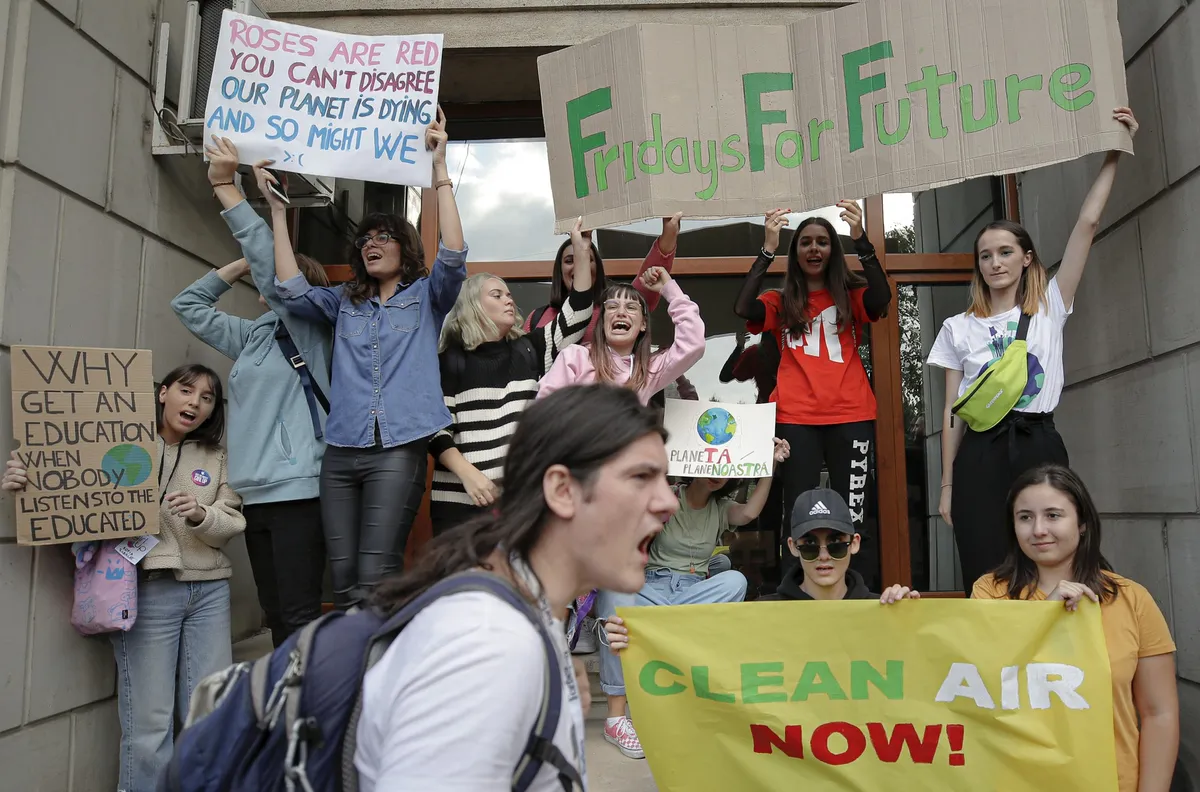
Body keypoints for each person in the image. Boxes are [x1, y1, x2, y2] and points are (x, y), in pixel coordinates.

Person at [353, 384, 677, 791]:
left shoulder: (530, 616)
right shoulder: (488, 644)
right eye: (641, 477)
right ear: (562, 490)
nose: (669, 502)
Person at [4, 364, 245, 791]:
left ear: (212, 411)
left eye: (207, 398)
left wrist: (201, 514)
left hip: (209, 591)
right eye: (186, 391)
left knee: (211, 713)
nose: (195, 402)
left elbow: (231, 522)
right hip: (149, 591)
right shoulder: (114, 442)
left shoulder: (217, 457)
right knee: (149, 726)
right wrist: (28, 483)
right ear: (162, 393)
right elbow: (71, 487)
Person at [929, 107, 1139, 593]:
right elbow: (951, 412)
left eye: (1005, 252)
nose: (994, 262)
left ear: (1026, 259)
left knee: (1054, 552)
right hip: (978, 451)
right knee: (984, 564)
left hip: (1037, 441)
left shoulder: (1050, 304)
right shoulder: (958, 327)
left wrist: (1114, 151)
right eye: (985, 255)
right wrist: (947, 484)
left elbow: (1087, 223)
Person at [272, 107, 467, 608]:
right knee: (341, 577)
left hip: (398, 449)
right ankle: (355, 673)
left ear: (404, 248)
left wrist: (438, 169)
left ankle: (377, 674)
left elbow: (453, 253)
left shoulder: (427, 295)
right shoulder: (342, 302)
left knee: (377, 572)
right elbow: (292, 291)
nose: (370, 245)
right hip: (342, 449)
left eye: (383, 238)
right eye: (364, 240)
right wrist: (277, 212)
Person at [171, 138, 332, 647]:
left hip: (299, 492)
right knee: (277, 614)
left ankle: (312, 717)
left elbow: (270, 264)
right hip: (252, 495)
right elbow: (189, 306)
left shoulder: (312, 331)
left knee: (300, 615)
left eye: (270, 280)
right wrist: (236, 268)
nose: (263, 283)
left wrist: (228, 187)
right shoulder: (255, 334)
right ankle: (290, 712)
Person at [971, 464, 1177, 792]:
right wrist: (1045, 613)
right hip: (1015, 782)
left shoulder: (1131, 599)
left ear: (1082, 523)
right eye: (1025, 517)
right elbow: (981, 690)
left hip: (1113, 782)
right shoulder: (989, 592)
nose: (1038, 529)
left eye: (1053, 515)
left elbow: (1158, 713)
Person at [593, 438, 791, 760]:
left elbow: (752, 511)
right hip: (652, 587)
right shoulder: (667, 496)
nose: (717, 473)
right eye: (710, 464)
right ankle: (616, 719)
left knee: (735, 579)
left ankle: (662, 622)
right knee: (613, 590)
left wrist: (769, 465)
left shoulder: (722, 509)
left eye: (725, 469)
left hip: (693, 591)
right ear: (695, 463)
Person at [733, 202, 890, 559]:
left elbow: (882, 298)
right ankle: (797, 600)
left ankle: (856, 599)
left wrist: (861, 239)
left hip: (851, 415)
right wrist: (767, 249)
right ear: (796, 252)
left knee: (854, 515)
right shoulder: (781, 300)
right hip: (796, 418)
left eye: (822, 241)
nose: (814, 248)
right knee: (798, 517)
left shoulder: (852, 296)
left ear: (833, 250)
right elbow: (744, 307)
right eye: (805, 242)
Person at [429, 219, 596, 535]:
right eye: (497, 294)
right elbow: (436, 430)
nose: (509, 299)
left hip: (519, 504)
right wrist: (470, 475)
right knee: (461, 584)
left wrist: (581, 250)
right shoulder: (449, 359)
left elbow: (579, 312)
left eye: (508, 294)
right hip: (458, 505)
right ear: (472, 306)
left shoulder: (529, 349)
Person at [537, 266, 705, 405]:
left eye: (631, 307)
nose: (621, 312)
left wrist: (669, 289)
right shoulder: (575, 357)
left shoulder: (648, 372)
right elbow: (544, 412)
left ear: (643, 324)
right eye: (612, 306)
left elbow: (693, 343)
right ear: (603, 322)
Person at [523, 213, 682, 342]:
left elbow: (651, 276)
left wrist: (669, 234)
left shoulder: (616, 309)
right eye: (570, 260)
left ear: (597, 268)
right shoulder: (538, 318)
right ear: (559, 271)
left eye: (587, 259)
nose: (580, 265)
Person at [758, 488, 883, 601]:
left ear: (854, 543)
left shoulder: (881, 609)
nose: (824, 556)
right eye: (810, 544)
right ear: (793, 546)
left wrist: (901, 608)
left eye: (836, 543)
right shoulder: (764, 614)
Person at [718, 329, 779, 405]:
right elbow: (725, 376)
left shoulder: (756, 352)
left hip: (766, 410)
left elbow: (725, 376)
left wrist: (739, 346)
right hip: (793, 409)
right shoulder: (794, 351)